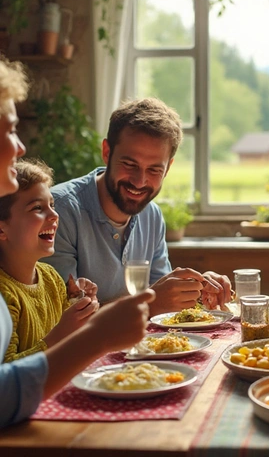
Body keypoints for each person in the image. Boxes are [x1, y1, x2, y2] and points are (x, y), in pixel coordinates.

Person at [0, 56, 154, 428]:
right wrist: (95, 335)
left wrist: (82, 310)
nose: (19, 146)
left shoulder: (51, 280)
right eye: (8, 130)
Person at [42, 97, 232, 315]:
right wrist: (148, 305)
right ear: (107, 152)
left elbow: (164, 305)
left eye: (154, 170)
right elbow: (61, 317)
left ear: (168, 168)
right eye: (129, 164)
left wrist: (197, 290)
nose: (139, 181)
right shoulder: (58, 211)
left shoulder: (152, 216)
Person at [0, 160, 101, 362]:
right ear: (2, 229)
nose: (54, 215)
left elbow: (70, 346)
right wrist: (61, 334)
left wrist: (78, 304)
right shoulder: (4, 296)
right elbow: (6, 375)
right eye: (38, 208)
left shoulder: (51, 278)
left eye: (52, 205)